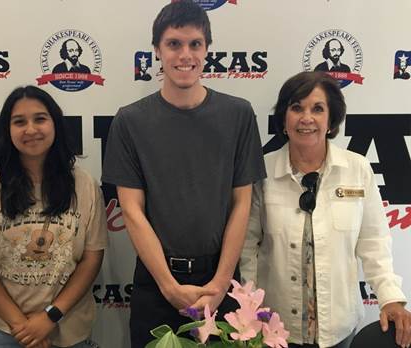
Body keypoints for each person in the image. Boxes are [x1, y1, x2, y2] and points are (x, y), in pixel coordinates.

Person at [101, 1, 266, 347]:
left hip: (219, 281)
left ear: (207, 49)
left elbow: (242, 203)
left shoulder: (238, 115)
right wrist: (168, 285)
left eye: (195, 44)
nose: (185, 54)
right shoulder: (130, 122)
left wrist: (221, 284)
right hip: (156, 282)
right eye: (174, 44)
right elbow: (131, 210)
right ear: (157, 51)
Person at [240, 71, 411, 348]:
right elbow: (246, 248)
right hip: (275, 328)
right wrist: (247, 310)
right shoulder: (262, 171)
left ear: (331, 121)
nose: (306, 118)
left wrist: (390, 296)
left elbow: (374, 243)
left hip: (338, 330)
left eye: (317, 109)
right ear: (284, 118)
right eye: (297, 108)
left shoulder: (357, 169)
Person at [0, 86, 107, 348]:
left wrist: (49, 317)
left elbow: (91, 259)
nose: (30, 129)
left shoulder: (84, 184)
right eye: (19, 122)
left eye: (40, 118)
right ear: (7, 130)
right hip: (5, 330)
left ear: (55, 124)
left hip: (68, 326)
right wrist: (22, 327)